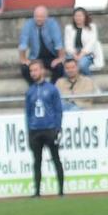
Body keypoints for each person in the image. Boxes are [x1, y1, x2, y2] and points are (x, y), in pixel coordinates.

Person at [24, 61, 65, 198]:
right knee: (37, 161)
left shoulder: (52, 89)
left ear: (42, 70)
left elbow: (58, 110)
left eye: (35, 70)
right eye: (31, 71)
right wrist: (29, 131)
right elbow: (28, 113)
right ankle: (37, 192)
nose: (33, 73)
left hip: (49, 129)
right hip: (35, 131)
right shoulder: (30, 91)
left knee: (55, 159)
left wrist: (57, 128)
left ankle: (61, 191)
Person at [17, 5, 63, 81]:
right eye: (36, 16)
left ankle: (51, 88)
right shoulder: (28, 24)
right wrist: (23, 59)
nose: (38, 19)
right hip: (35, 58)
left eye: (41, 16)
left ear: (46, 16)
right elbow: (23, 43)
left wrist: (60, 58)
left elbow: (59, 43)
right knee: (24, 68)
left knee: (60, 67)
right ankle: (34, 88)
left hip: (51, 57)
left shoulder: (53, 24)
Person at [61, 8, 104, 78]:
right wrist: (74, 54)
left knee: (81, 65)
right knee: (67, 67)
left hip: (87, 53)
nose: (78, 18)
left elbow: (92, 43)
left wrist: (81, 54)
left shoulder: (92, 27)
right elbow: (67, 43)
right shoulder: (68, 28)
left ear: (85, 16)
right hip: (72, 54)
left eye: (80, 16)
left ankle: (90, 83)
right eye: (76, 16)